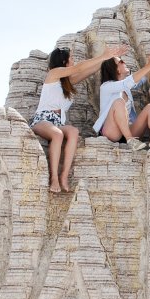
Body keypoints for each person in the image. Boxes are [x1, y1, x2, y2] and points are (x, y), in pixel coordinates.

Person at [31, 43, 127, 192]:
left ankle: (64, 176)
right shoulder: (53, 74)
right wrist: (103, 55)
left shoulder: (66, 82)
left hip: (56, 122)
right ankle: (54, 179)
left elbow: (88, 71)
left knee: (73, 131)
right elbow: (78, 68)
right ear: (64, 62)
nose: (73, 60)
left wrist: (108, 58)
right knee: (57, 134)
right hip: (42, 120)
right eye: (71, 58)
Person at [94, 50, 150, 149]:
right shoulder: (106, 87)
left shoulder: (126, 87)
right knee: (119, 102)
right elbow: (128, 82)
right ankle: (130, 140)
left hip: (130, 130)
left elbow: (141, 78)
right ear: (116, 69)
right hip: (112, 132)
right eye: (122, 62)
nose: (125, 63)